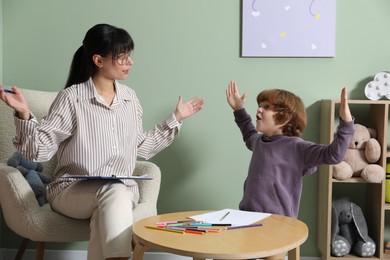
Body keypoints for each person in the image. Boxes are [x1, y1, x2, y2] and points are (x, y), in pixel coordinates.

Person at [0, 24, 204, 260]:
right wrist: (24, 114)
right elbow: (39, 150)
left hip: (122, 192)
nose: (130, 62)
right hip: (70, 192)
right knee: (113, 194)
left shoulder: (130, 99)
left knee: (112, 197)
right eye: (122, 56)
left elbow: (143, 147)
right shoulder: (72, 98)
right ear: (98, 60)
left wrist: (176, 118)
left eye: (130, 55)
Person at [225, 81, 354, 219]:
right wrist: (239, 109)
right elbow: (248, 133)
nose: (259, 110)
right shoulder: (258, 141)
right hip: (247, 217)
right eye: (259, 106)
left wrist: (346, 123)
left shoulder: (298, 147)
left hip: (279, 223)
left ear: (285, 117)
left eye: (266, 107)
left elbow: (333, 155)